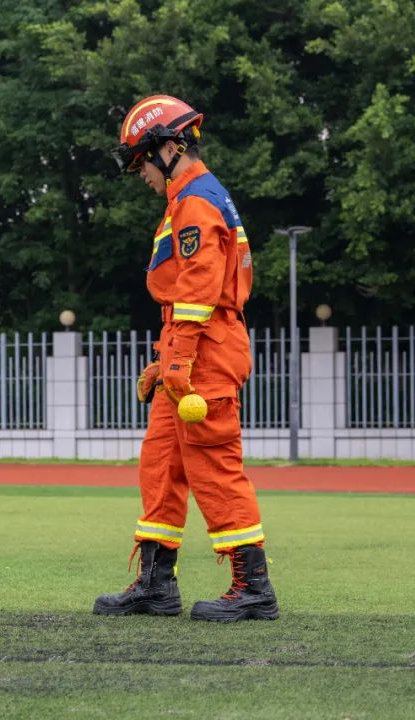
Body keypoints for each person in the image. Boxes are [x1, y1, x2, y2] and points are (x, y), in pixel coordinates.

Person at [93, 95, 279, 621]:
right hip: (190, 345)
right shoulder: (190, 200)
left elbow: (199, 289)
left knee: (214, 464)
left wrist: (181, 359)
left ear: (168, 148)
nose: (140, 175)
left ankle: (253, 588)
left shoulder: (196, 201)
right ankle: (156, 583)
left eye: (141, 162)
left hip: (208, 351)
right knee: (162, 463)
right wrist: (169, 355)